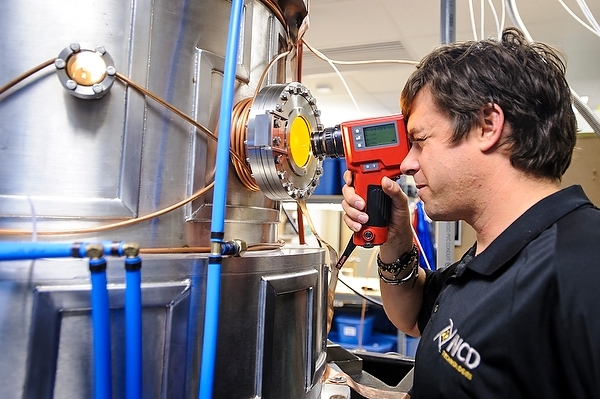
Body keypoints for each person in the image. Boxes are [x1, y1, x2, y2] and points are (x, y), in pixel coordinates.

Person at [341, 27, 600, 398]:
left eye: (419, 141)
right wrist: (395, 242)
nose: (407, 164)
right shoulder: (490, 255)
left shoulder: (583, 269)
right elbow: (412, 317)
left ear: (487, 125)